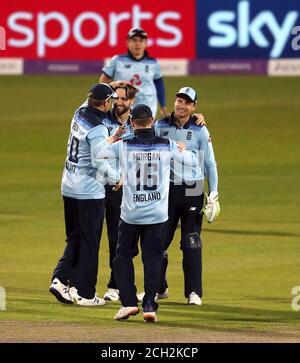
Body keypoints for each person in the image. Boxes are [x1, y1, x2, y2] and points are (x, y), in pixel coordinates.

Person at [92, 104, 198, 322]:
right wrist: (181, 148)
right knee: (153, 258)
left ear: (132, 123)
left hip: (131, 214)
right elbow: (193, 162)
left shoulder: (123, 146)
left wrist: (113, 139)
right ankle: (149, 304)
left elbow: (97, 155)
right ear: (152, 121)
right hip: (158, 215)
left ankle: (129, 303)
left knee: (122, 257)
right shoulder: (167, 145)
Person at [49, 83, 120, 307]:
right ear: (106, 103)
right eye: (111, 99)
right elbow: (99, 159)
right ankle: (85, 293)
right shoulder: (99, 127)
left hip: (68, 187)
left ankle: (60, 280)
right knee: (90, 242)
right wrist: (117, 178)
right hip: (89, 191)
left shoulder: (79, 112)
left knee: (75, 237)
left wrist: (108, 86)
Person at [151, 86, 220, 305]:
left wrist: (214, 192)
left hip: (193, 187)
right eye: (179, 100)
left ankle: (194, 293)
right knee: (158, 242)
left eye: (187, 102)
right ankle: (157, 288)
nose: (181, 105)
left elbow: (209, 162)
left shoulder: (200, 130)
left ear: (194, 107)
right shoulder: (160, 125)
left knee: (191, 241)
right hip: (167, 187)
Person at [101, 81, 139, 302]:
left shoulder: (140, 121)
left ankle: (115, 286)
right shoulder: (103, 119)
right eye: (116, 98)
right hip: (101, 184)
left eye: (124, 99)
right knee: (94, 236)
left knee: (118, 239)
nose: (119, 102)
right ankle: (80, 284)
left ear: (131, 101)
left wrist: (198, 119)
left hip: (128, 188)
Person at [99, 27, 168, 118]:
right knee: (122, 131)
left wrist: (163, 106)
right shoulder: (117, 60)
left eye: (141, 40)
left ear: (146, 43)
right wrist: (104, 100)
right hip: (122, 107)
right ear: (127, 42)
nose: (137, 43)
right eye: (134, 40)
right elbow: (103, 80)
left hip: (147, 108)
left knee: (144, 131)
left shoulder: (153, 63)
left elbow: (159, 84)